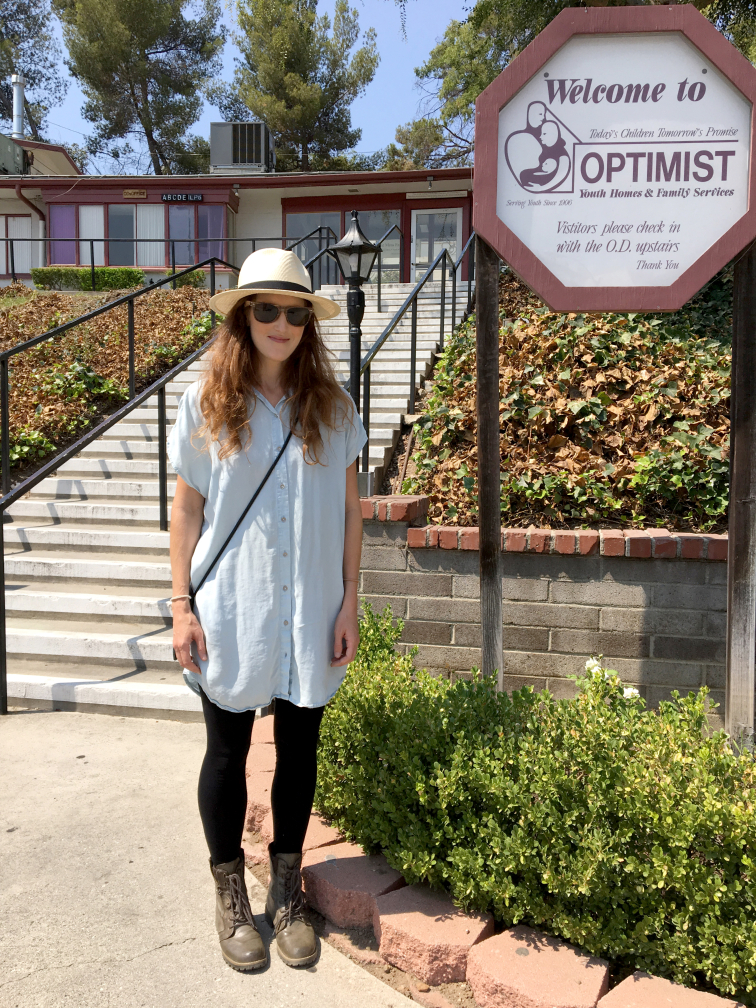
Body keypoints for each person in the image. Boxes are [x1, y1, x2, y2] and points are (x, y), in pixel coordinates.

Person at [168, 247, 366, 972]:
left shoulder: (334, 409)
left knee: (300, 751)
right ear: (243, 317)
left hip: (311, 609)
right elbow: (186, 512)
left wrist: (349, 600)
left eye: (295, 312)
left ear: (309, 323)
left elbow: (351, 512)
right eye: (267, 309)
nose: (281, 323)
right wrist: (181, 606)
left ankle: (286, 891)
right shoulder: (204, 402)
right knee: (226, 753)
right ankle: (229, 894)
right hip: (231, 610)